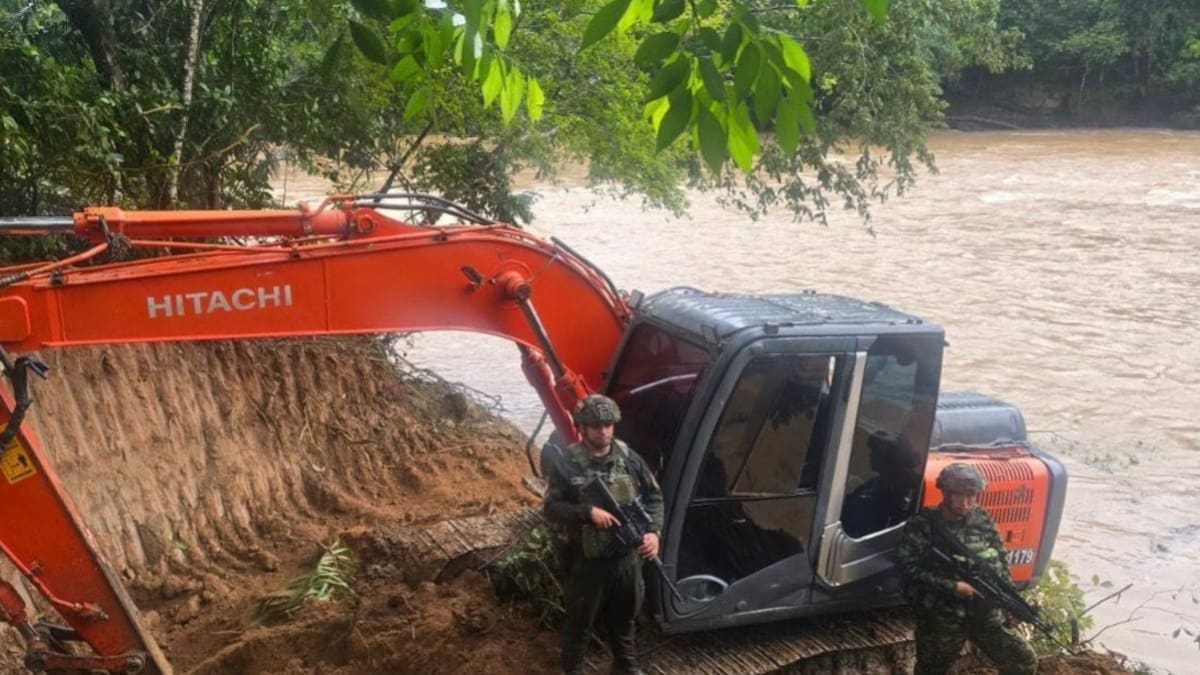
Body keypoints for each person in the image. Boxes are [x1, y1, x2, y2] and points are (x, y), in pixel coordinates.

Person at [543, 394, 664, 675]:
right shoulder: (567, 464)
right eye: (596, 426)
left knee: (625, 619)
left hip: (626, 559)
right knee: (579, 623)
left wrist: (654, 532)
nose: (604, 431)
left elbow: (654, 497)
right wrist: (587, 513)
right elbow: (551, 508)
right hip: (588, 562)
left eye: (608, 425)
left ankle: (625, 666)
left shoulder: (628, 458)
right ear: (583, 428)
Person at [897, 462, 1038, 675]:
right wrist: (953, 587)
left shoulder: (982, 519)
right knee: (931, 670)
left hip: (984, 612)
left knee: (1022, 660)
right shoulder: (924, 524)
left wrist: (1010, 602)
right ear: (945, 493)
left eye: (971, 496)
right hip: (943, 616)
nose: (965, 503)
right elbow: (907, 567)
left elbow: (1000, 562)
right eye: (958, 495)